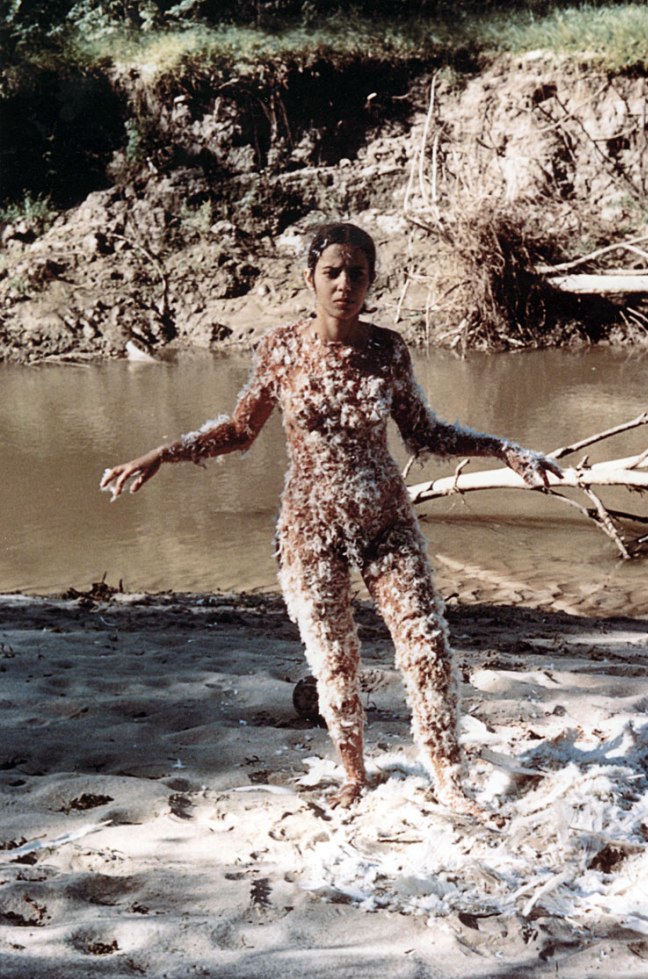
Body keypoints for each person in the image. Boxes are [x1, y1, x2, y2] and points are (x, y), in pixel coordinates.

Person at [101, 222, 561, 818]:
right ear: (309, 278)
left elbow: (425, 431)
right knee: (334, 659)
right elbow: (242, 430)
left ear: (371, 281)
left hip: (386, 522)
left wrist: (503, 447)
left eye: (358, 274)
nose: (345, 284)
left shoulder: (388, 348)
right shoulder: (281, 349)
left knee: (426, 646)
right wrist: (164, 453)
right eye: (333, 272)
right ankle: (352, 774)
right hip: (310, 526)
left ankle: (449, 779)